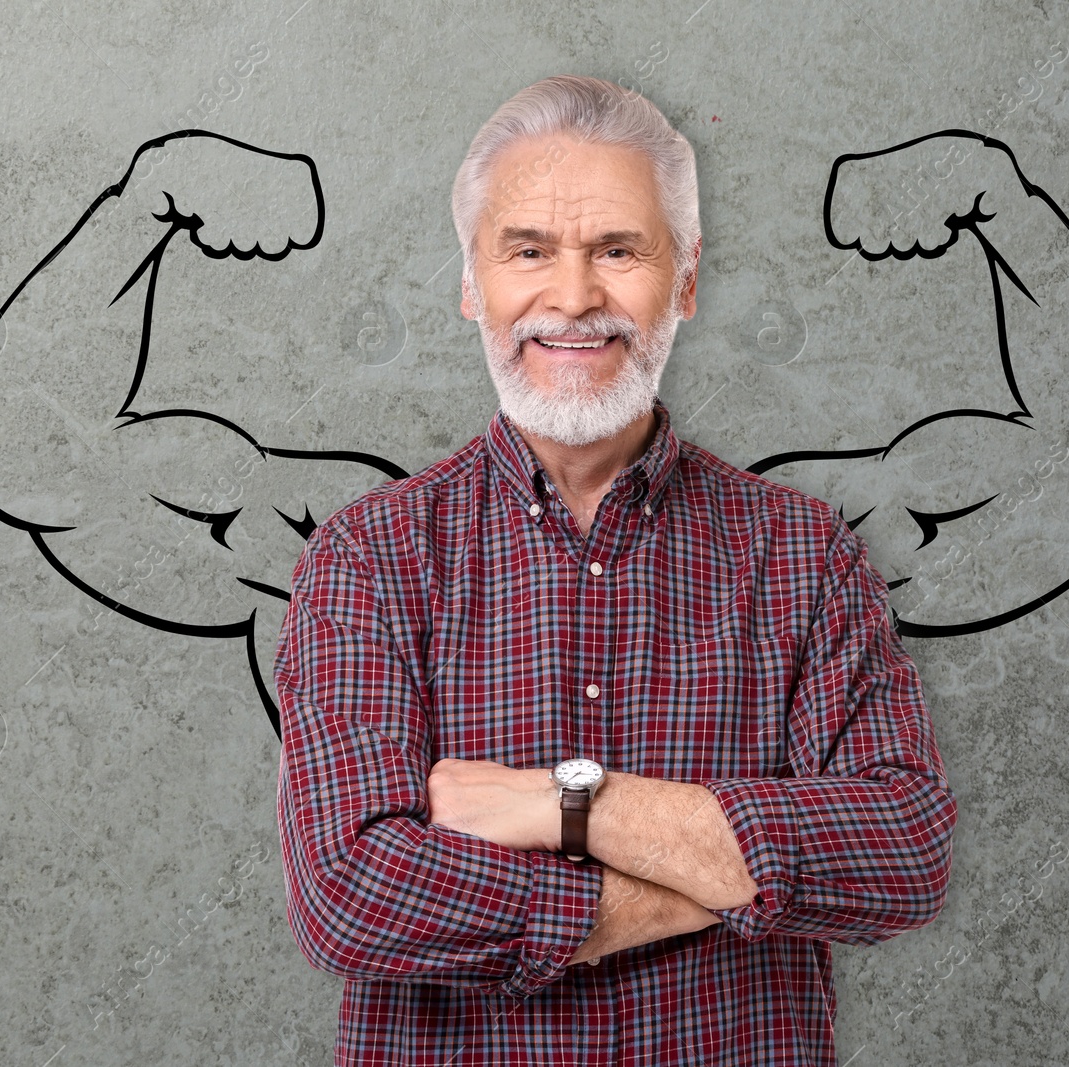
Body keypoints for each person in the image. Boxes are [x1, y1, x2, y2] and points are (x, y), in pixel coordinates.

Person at [274, 74, 957, 1066]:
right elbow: (353, 895)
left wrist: (565, 804)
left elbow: (901, 848)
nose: (574, 296)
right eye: (529, 250)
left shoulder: (804, 553)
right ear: (473, 281)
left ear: (684, 277)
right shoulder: (369, 558)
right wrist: (705, 878)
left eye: (617, 249)